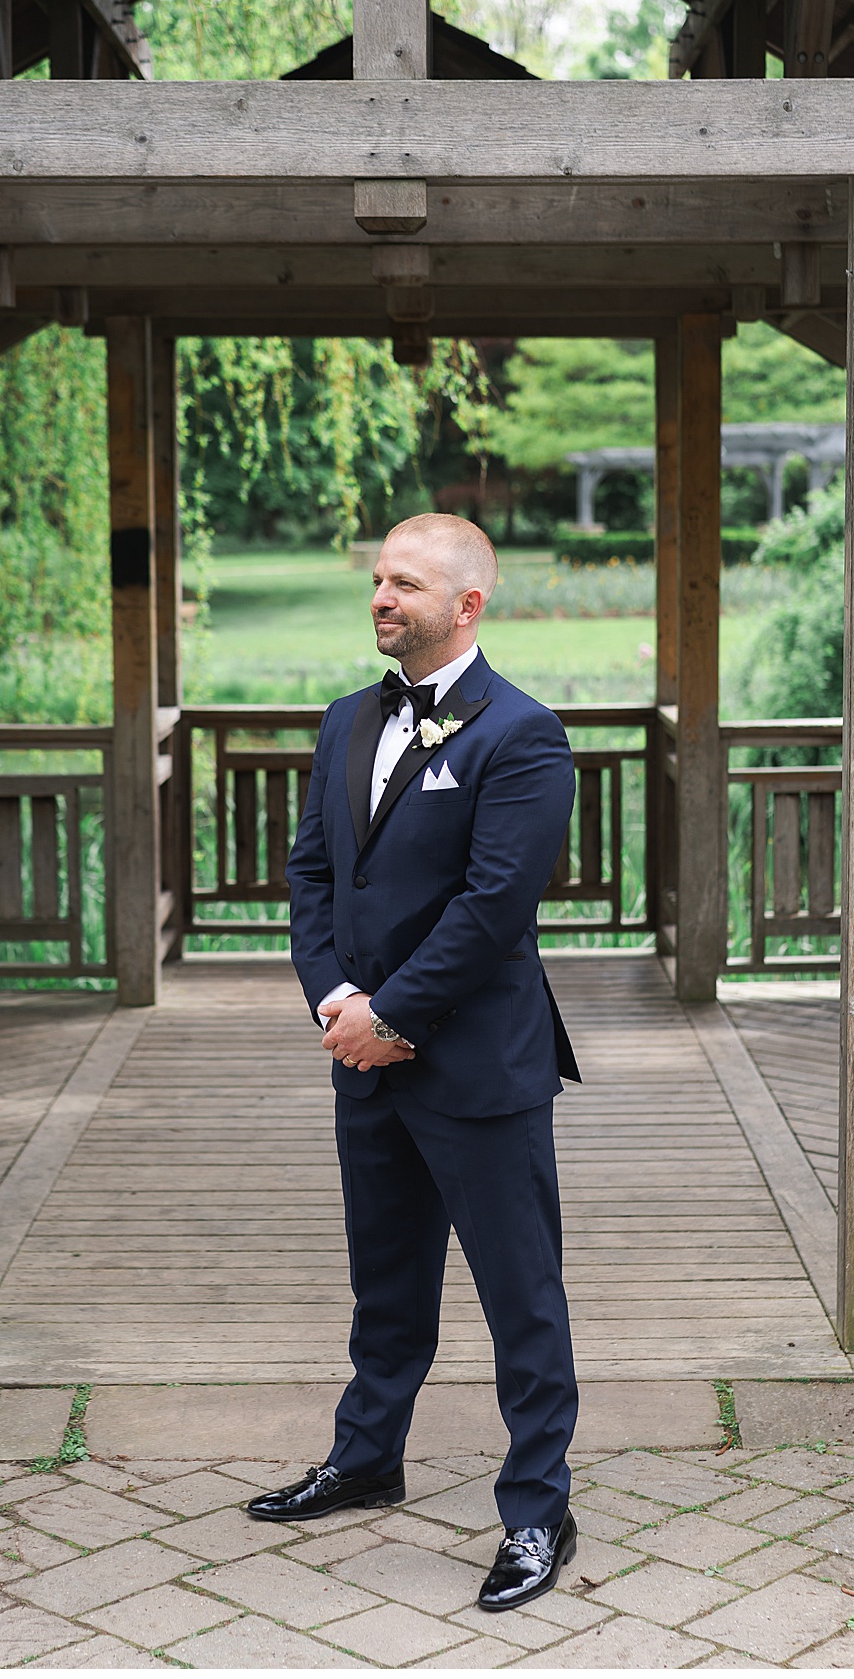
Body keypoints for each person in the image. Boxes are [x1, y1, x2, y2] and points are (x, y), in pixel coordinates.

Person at [245, 513, 580, 1613]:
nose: (382, 595)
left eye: (408, 582)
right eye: (378, 577)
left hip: (477, 1063)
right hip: (364, 1055)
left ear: (467, 605)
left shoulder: (523, 735)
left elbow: (493, 910)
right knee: (386, 1284)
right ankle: (367, 1456)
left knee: (519, 1296)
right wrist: (339, 1000)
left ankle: (537, 1505)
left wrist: (395, 1012)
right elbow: (309, 878)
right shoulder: (347, 721)